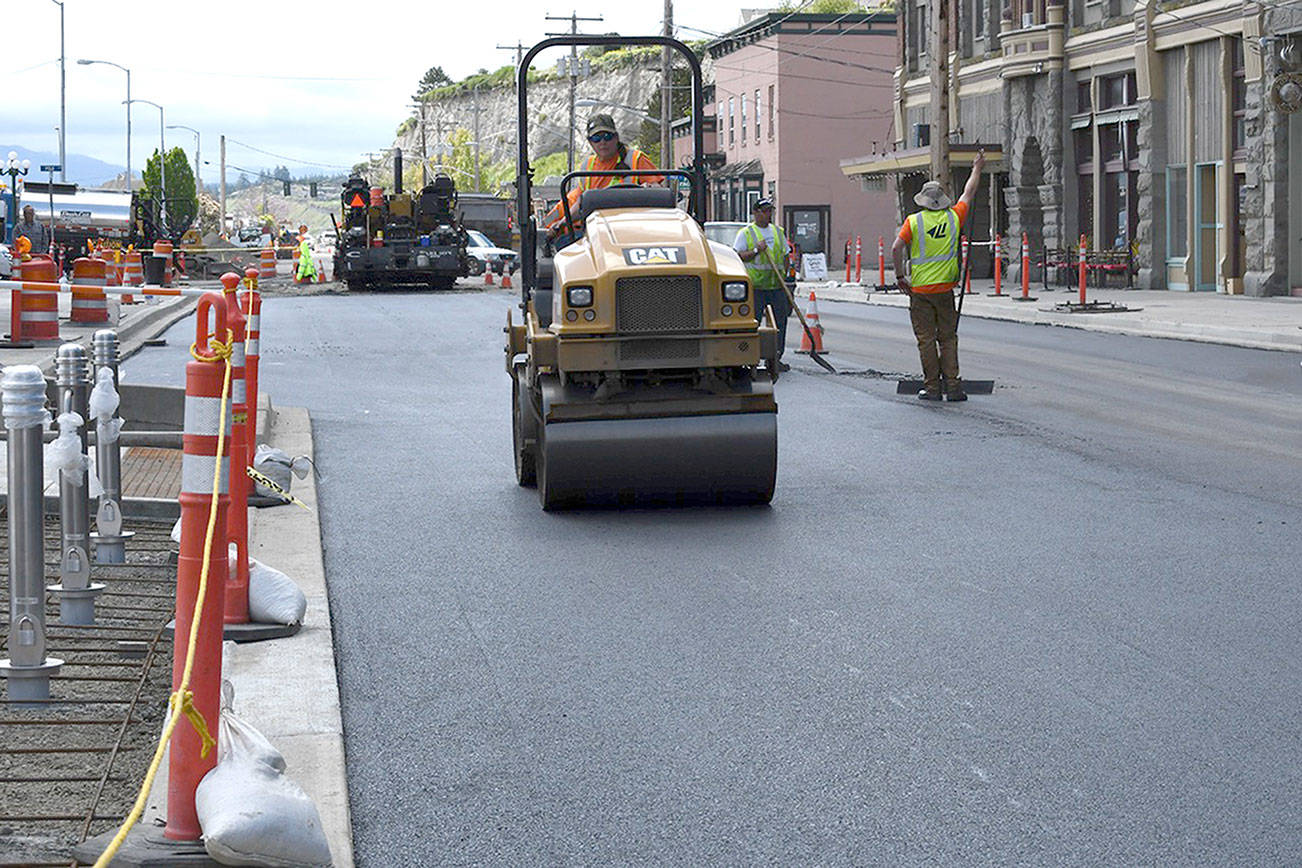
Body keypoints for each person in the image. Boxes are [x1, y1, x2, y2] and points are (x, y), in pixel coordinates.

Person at [891, 151, 985, 402]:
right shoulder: (954, 216)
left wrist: (901, 276)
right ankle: (953, 387)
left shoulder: (913, 222)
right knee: (948, 338)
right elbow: (969, 192)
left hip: (920, 290)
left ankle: (932, 388)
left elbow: (895, 248)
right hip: (945, 289)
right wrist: (977, 168)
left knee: (926, 340)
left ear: (923, 201)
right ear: (942, 201)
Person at [544, 113, 661, 245]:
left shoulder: (636, 159)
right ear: (590, 142)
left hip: (632, 231)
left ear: (616, 138)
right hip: (594, 233)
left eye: (607, 136)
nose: (603, 142)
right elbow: (580, 203)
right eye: (596, 138)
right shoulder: (587, 166)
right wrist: (560, 224)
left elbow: (658, 191)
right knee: (565, 247)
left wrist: (646, 189)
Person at [734, 198, 791, 372]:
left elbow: (785, 255)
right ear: (756, 213)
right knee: (754, 323)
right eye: (765, 211)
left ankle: (776, 357)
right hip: (756, 287)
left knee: (780, 323)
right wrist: (757, 250)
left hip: (776, 286)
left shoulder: (777, 232)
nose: (768, 214)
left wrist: (786, 276)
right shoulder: (746, 233)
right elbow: (738, 255)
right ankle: (752, 358)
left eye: (770, 211)